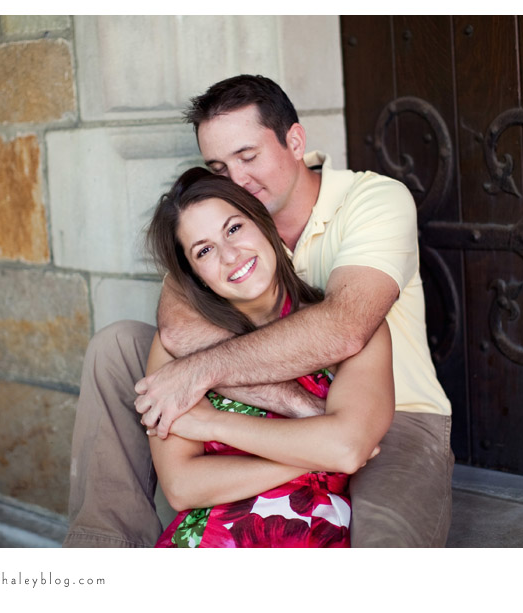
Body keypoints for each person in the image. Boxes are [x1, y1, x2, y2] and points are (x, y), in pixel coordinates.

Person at [64, 74, 454, 548]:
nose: (236, 180)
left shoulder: (372, 200)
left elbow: (344, 330)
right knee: (117, 346)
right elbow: (178, 327)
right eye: (218, 167)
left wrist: (201, 383)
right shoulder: (223, 219)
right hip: (281, 408)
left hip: (395, 415)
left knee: (386, 547)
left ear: (294, 140)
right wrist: (299, 411)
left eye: (248, 157)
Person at [142, 167, 393, 547]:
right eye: (204, 250)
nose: (229, 255)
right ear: (195, 276)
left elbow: (346, 448)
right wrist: (314, 451)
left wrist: (213, 425)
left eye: (234, 228)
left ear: (264, 224)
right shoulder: (176, 348)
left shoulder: (349, 332)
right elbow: (181, 487)